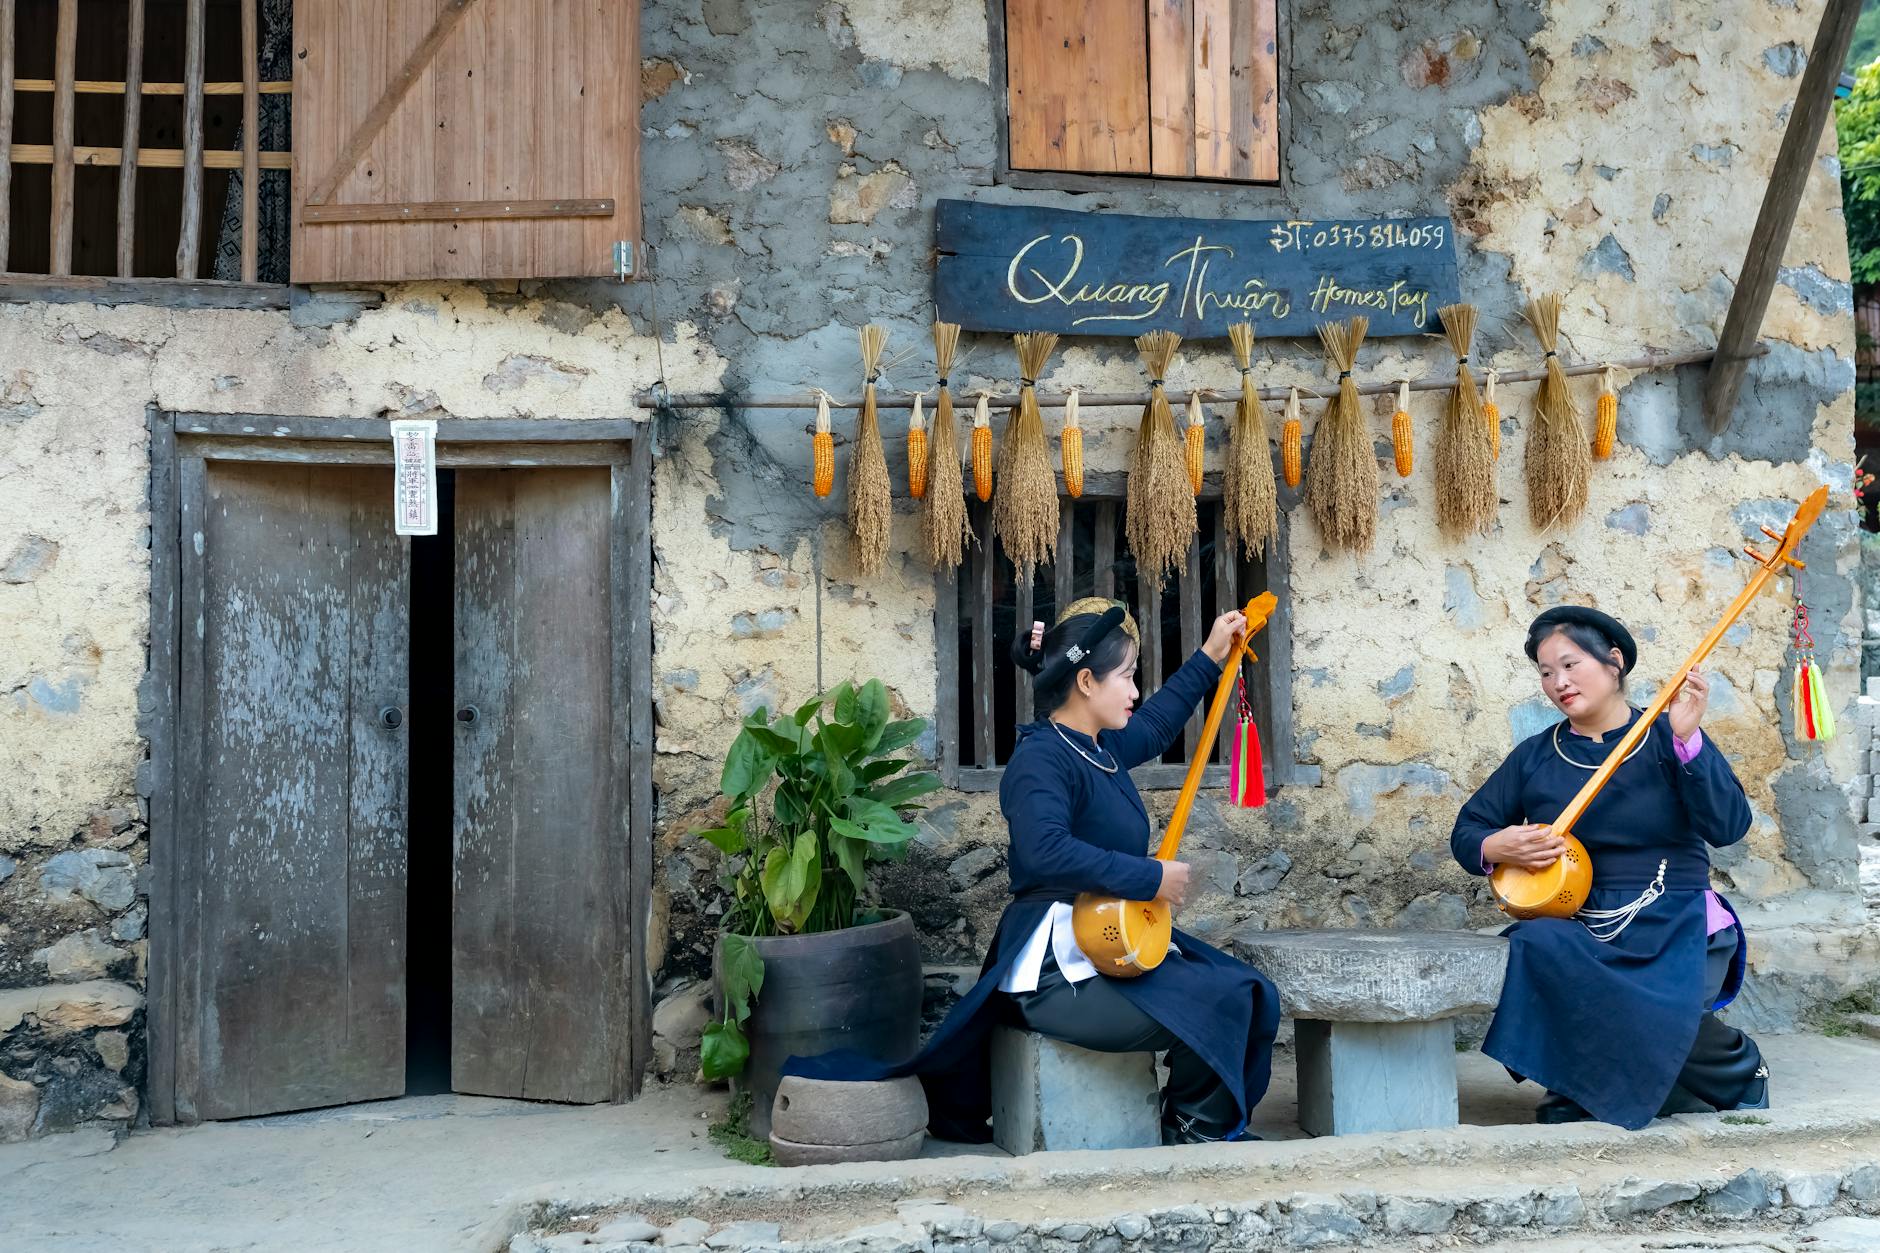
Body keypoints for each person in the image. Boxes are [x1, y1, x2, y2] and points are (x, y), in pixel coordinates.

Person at [784, 597, 1281, 1145]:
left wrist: (1212, 654)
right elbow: (1045, 851)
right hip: (1055, 969)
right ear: (1087, 682)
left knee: (1249, 992)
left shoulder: (1103, 747)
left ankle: (1198, 1121)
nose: (1137, 691)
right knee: (1218, 1001)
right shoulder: (1040, 759)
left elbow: (1160, 722)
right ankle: (1197, 1129)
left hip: (1109, 941)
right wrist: (1149, 878)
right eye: (1128, 676)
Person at [1450, 606, 1770, 1129]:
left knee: (1654, 1004)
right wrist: (1498, 844)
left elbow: (1729, 825)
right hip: (1584, 922)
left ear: (1614, 661)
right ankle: (1581, 1085)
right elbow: (1468, 832)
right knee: (1533, 946)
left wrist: (1689, 742)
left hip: (1675, 918)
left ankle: (1738, 1070)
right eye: (1546, 672)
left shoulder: (1670, 737)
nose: (1559, 682)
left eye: (1571, 665)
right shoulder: (1535, 756)